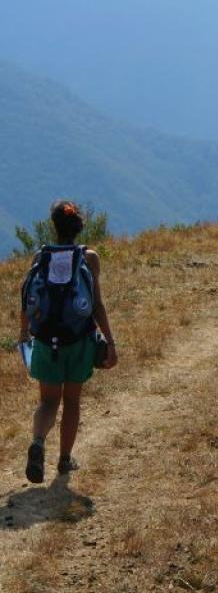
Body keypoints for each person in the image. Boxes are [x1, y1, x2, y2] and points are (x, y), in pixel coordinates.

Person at [18, 200, 117, 483]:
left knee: (48, 401)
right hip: (79, 340)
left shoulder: (40, 257)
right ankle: (64, 460)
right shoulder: (90, 258)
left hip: (46, 341)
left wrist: (24, 335)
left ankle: (38, 441)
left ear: (54, 227)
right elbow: (96, 305)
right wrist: (110, 342)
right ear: (78, 227)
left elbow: (27, 300)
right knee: (72, 400)